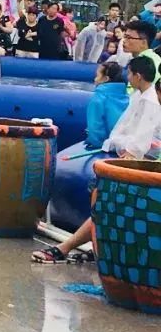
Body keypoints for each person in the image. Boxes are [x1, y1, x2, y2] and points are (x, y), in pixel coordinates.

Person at [32, 55, 160, 263]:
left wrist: (123, 149)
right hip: (128, 154)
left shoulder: (149, 102)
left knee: (106, 203)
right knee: (106, 203)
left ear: (137, 76)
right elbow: (124, 128)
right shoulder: (137, 98)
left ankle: (69, 247)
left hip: (136, 160)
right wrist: (116, 144)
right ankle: (85, 246)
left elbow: (138, 138)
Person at [85, 62, 129, 148]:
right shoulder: (128, 97)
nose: (95, 79)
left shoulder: (98, 98)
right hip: (124, 144)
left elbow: (94, 126)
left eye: (97, 76)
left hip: (105, 145)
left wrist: (99, 144)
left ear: (106, 79)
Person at [110, 19, 161, 84]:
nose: (124, 41)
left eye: (129, 37)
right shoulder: (137, 58)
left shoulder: (151, 64)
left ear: (143, 42)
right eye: (125, 36)